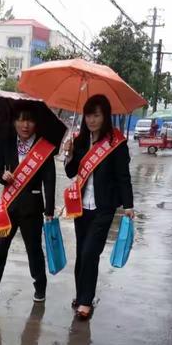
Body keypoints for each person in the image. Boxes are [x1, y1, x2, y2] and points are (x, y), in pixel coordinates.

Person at [0, 102, 56, 309]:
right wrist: (3, 176)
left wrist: (49, 209)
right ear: (14, 122)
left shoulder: (43, 147)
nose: (25, 124)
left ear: (35, 123)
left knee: (34, 251)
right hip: (8, 208)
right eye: (20, 119)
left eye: (29, 120)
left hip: (32, 208)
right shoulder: (6, 142)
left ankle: (40, 286)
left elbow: (50, 179)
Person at [63, 94, 135, 320]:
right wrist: (69, 153)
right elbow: (70, 172)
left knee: (90, 252)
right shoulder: (80, 140)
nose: (92, 120)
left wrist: (129, 206)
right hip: (81, 207)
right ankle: (80, 294)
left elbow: (124, 177)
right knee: (81, 254)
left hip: (104, 207)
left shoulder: (116, 143)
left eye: (97, 115)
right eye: (88, 115)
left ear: (105, 117)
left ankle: (86, 301)